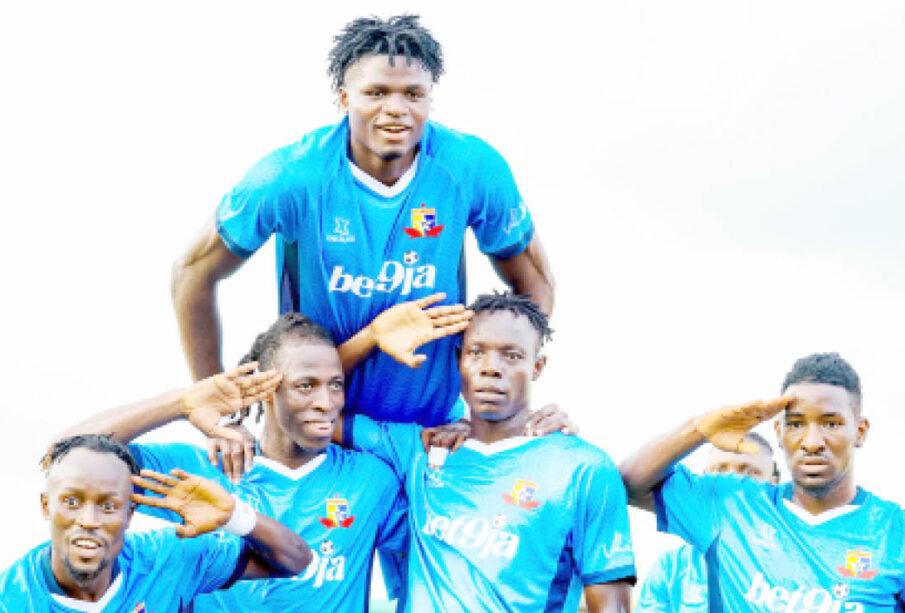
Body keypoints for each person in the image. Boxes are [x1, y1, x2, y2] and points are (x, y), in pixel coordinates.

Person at [171, 14, 555, 427]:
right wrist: (217, 407)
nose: (396, 109)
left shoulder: (472, 168)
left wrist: (501, 412)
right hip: (318, 434)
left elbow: (535, 281)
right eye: (376, 93)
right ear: (344, 97)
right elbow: (192, 272)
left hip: (434, 430)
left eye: (413, 94)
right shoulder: (290, 177)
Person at [52, 322, 410, 613]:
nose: (326, 402)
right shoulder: (202, 470)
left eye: (336, 386)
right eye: (306, 386)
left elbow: (429, 547)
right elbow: (63, 458)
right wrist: (181, 403)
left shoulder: (371, 480)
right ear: (265, 390)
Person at [337, 293, 635, 612]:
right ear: (458, 360)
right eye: (476, 352)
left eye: (512, 355)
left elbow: (612, 607)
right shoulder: (421, 448)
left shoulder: (583, 468)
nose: (491, 368)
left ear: (537, 366)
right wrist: (371, 336)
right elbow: (309, 415)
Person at [620, 352, 905, 611]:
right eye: (796, 424)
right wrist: (698, 429)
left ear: (860, 431)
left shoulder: (895, 533)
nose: (812, 442)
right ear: (779, 431)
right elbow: (630, 484)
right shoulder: (732, 505)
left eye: (831, 423)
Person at [0, 433, 311, 612]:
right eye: (72, 502)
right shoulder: (12, 598)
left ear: (129, 515)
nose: (89, 520)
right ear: (46, 505)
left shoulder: (169, 557)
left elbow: (297, 560)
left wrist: (234, 517)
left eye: (108, 506)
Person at [634, 433, 778, 612]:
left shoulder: (797, 560)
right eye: (719, 470)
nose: (730, 481)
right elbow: (633, 483)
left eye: (749, 472)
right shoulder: (670, 568)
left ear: (774, 485)